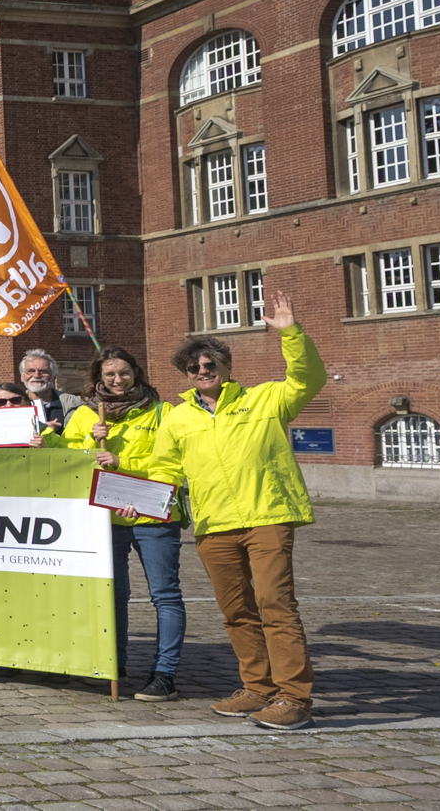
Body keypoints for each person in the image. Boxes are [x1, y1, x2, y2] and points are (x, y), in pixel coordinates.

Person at [147, 289, 325, 730]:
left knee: (276, 605)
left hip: (266, 516)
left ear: (226, 368)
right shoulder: (176, 417)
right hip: (213, 525)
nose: (202, 370)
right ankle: (257, 689)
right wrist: (147, 498)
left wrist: (291, 335)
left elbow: (308, 378)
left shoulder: (265, 399)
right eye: (194, 367)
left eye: (210, 364)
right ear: (186, 375)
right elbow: (163, 467)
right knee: (236, 611)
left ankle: (294, 697)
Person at [63, 346, 185, 702]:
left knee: (165, 595)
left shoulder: (164, 412)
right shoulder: (85, 415)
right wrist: (90, 439)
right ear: (98, 379)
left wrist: (122, 461)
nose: (118, 381)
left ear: (137, 372)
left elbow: (172, 462)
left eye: (124, 373)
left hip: (153, 514)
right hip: (106, 517)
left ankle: (165, 674)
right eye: (110, 375)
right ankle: (113, 664)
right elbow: (69, 460)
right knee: (113, 595)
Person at [19, 348, 86, 432]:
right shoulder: (13, 405)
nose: (36, 375)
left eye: (43, 371)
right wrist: (42, 428)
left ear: (54, 377)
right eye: (30, 371)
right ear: (22, 377)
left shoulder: (76, 404)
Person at [0, 380, 48, 446]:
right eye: (1, 402)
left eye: (15, 400)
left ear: (27, 402)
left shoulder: (46, 433)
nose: (9, 405)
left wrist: (45, 449)